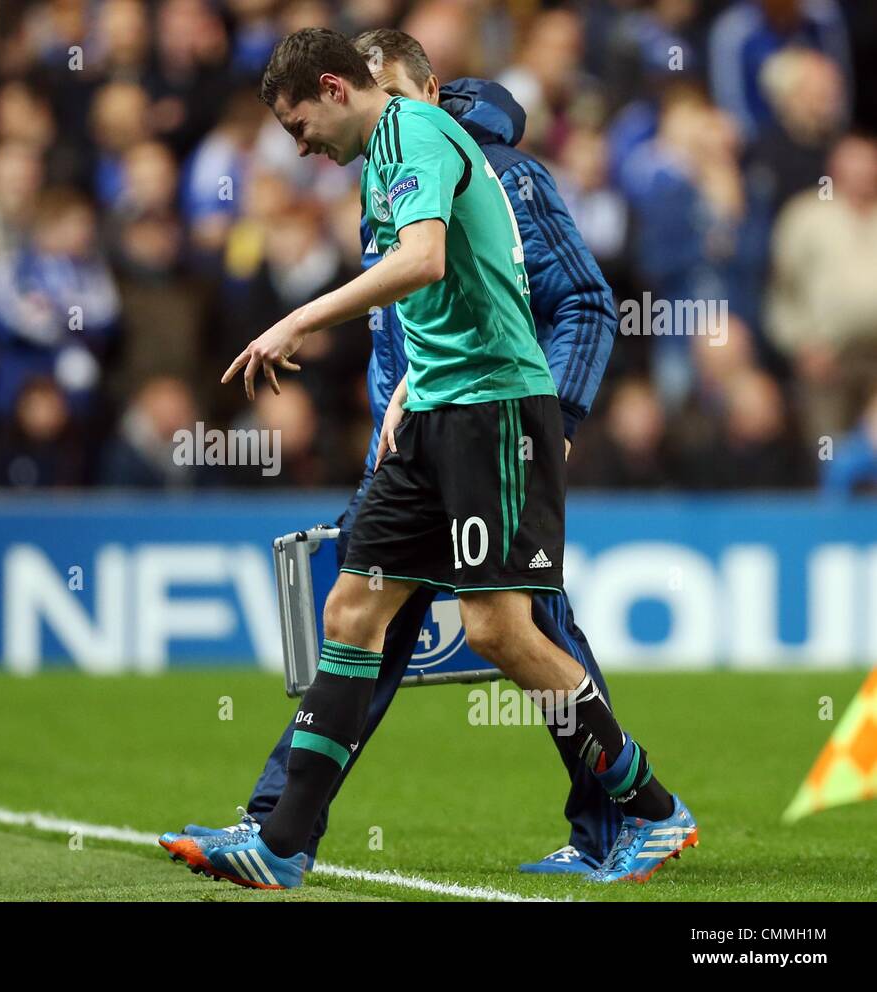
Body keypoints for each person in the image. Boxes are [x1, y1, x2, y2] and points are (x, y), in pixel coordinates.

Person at [160, 28, 696, 888]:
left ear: (338, 89)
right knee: (351, 611)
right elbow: (469, 282)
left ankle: (652, 810)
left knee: (501, 632)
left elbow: (427, 259)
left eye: (300, 126)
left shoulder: (414, 132)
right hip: (436, 413)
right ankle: (282, 841)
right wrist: (409, 389)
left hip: (493, 415)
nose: (299, 148)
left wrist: (299, 318)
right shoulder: (382, 160)